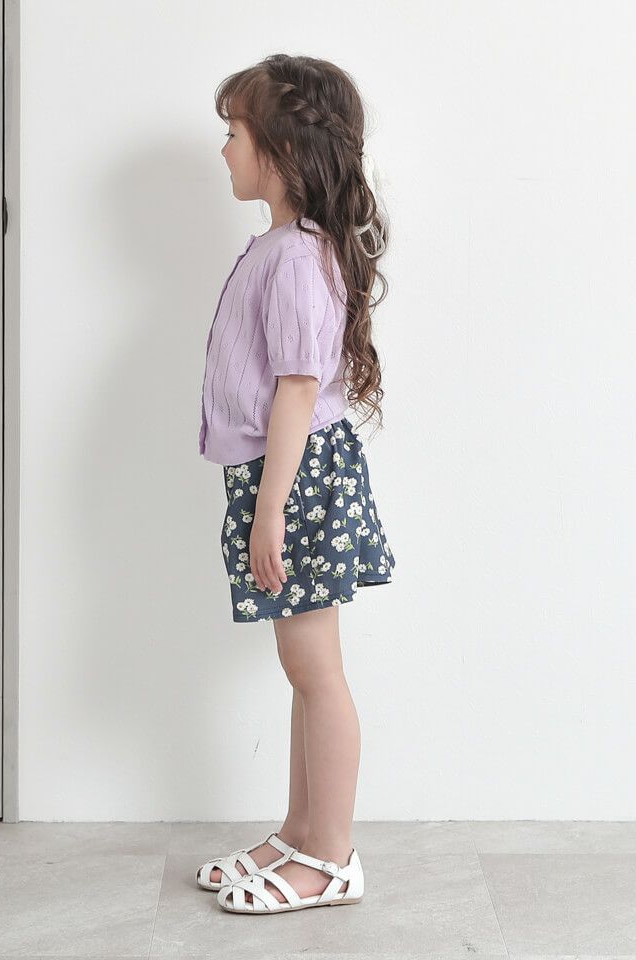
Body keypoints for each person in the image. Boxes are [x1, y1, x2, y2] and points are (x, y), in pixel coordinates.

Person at [196, 53, 396, 915]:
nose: (224, 151)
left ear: (281, 149)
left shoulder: (297, 256)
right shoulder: (282, 247)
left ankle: (332, 856)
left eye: (234, 134)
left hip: (298, 475)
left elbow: (299, 388)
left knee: (317, 672)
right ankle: (300, 831)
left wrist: (270, 507)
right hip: (284, 471)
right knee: (302, 667)